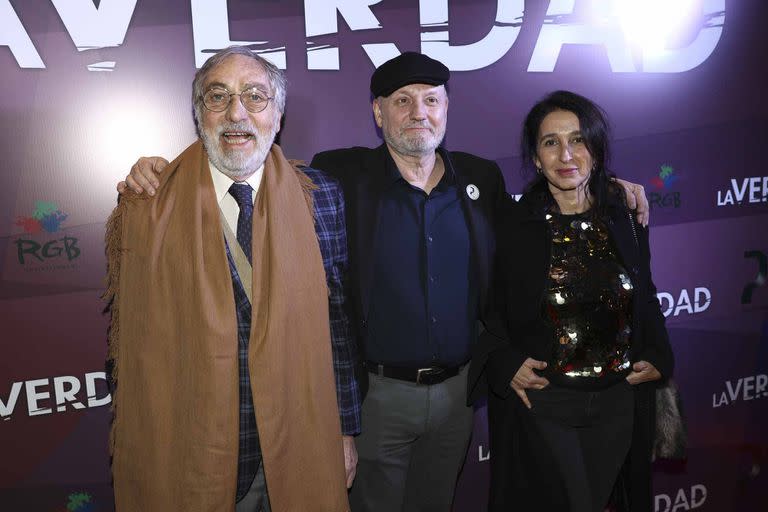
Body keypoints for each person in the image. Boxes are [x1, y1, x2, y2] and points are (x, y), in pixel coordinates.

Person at [117, 54, 650, 512]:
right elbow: (249, 168)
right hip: (377, 399)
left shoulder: (480, 179)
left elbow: (533, 225)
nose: (419, 112)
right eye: (401, 101)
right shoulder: (336, 178)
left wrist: (603, 189)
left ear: (446, 109)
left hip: (457, 397)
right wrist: (156, 171)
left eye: (431, 100)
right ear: (377, 112)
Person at [104, 46, 354, 512]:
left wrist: (343, 431)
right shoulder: (148, 203)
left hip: (299, 439)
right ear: (200, 115)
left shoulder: (319, 197)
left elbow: (336, 323)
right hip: (191, 449)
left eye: (255, 96)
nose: (236, 112)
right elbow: (133, 346)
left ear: (277, 115)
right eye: (218, 97)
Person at [473, 90, 674, 512]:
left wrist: (659, 354)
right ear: (535, 156)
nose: (566, 153)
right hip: (546, 405)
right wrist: (503, 362)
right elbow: (483, 307)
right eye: (550, 142)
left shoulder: (625, 216)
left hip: (617, 403)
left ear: (596, 150)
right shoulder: (512, 225)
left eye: (578, 139)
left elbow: (645, 292)